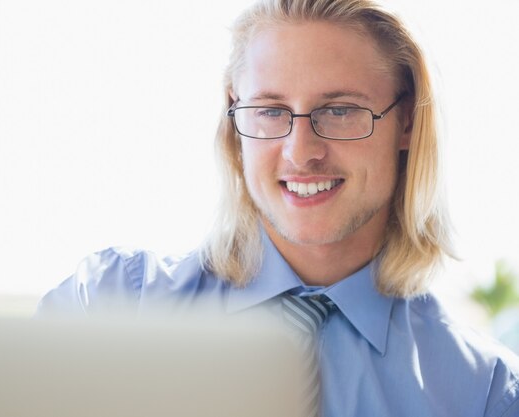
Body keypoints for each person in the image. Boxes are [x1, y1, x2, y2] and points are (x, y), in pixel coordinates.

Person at [37, 0, 519, 415]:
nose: (300, 151)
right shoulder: (111, 307)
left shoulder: (483, 394)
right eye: (270, 110)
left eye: (340, 109)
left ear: (408, 121)